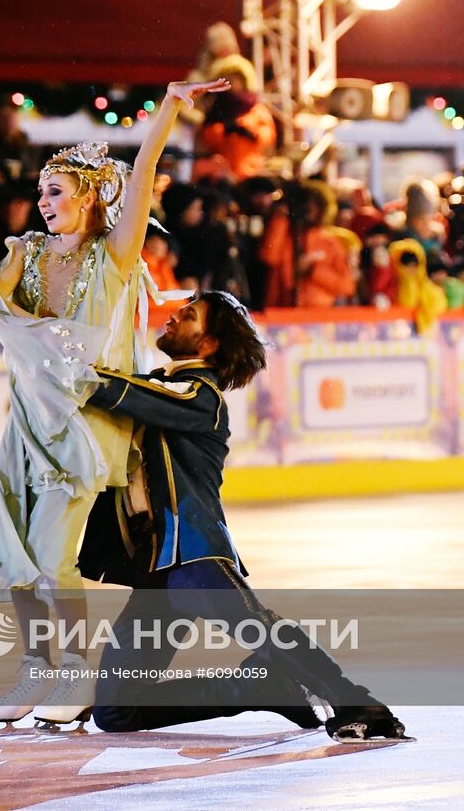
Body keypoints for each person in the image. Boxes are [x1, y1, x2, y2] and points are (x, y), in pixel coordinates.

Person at [0, 78, 231, 732]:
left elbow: (145, 168)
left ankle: (70, 671)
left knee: (48, 556)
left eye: (56, 190)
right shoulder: (31, 260)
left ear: (90, 196)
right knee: (13, 554)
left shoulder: (112, 257)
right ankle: (40, 665)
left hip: (86, 428)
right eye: (39, 191)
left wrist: (172, 103)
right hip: (28, 424)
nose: (42, 201)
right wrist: (12, 264)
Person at [79, 293, 410, 742]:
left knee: (260, 626)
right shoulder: (164, 386)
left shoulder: (200, 396)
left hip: (194, 553)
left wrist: (67, 366)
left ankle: (357, 703)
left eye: (189, 315)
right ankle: (257, 686)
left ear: (210, 344)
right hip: (157, 569)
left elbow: (114, 389)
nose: (173, 315)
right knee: (116, 712)